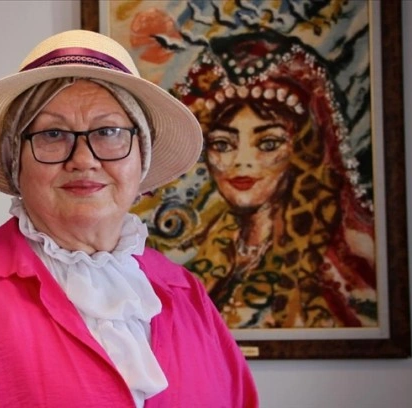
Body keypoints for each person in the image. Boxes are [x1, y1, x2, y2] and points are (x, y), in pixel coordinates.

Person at [0, 30, 258, 407]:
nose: (84, 160)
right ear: (16, 161)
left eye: (108, 132)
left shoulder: (186, 291)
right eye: (53, 134)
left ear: (140, 158)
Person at [145, 31, 377, 329]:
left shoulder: (340, 265)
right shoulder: (207, 253)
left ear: (301, 152)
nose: (242, 161)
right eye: (223, 144)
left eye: (268, 144)